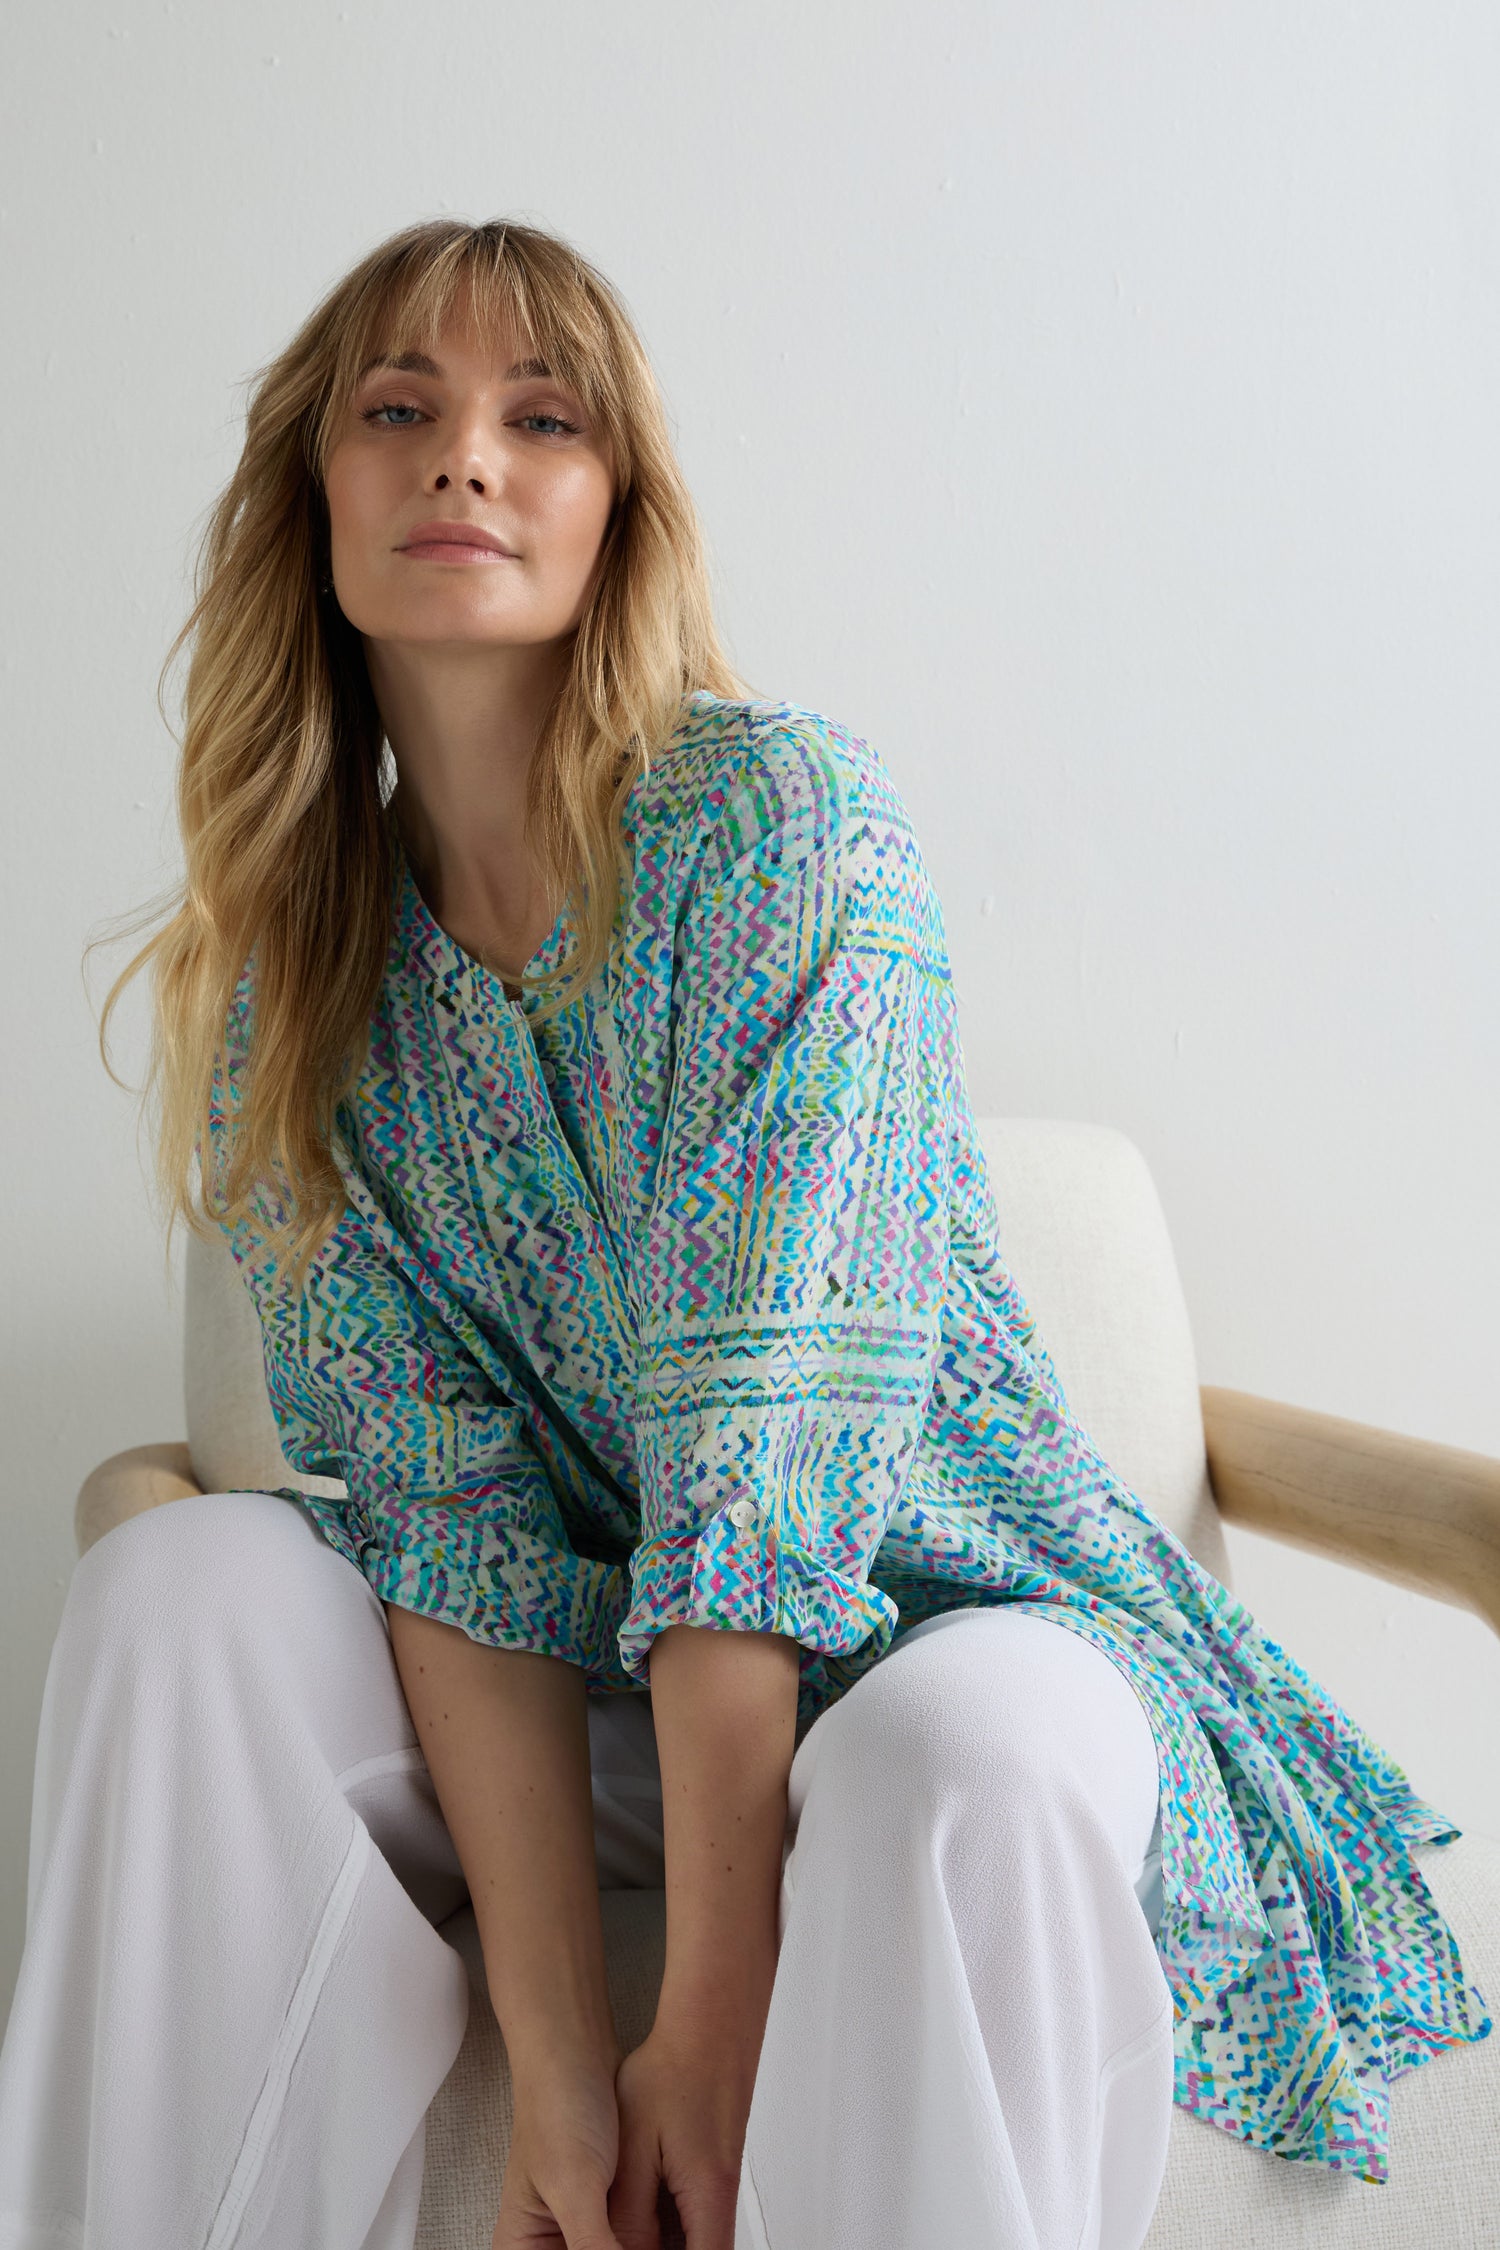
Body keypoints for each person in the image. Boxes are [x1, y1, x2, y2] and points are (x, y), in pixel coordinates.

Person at [0, 217, 1487, 2250]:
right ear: (311, 495)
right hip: (602, 1702)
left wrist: (705, 2029)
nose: (464, 460)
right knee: (181, 1592)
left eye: (541, 417)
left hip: (956, 1633)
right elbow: (461, 1545)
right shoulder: (294, 978)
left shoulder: (783, 833)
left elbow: (753, 1472)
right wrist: (553, 2071)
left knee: (958, 1758)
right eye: (397, 412)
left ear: (617, 507)